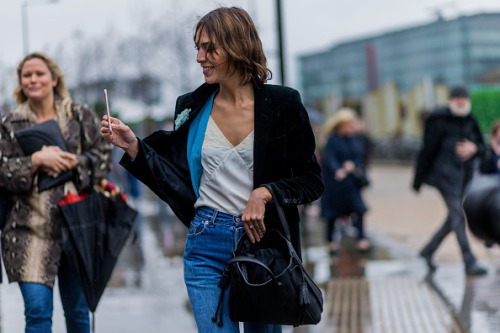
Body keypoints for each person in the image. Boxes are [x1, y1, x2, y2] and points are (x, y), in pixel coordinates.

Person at [101, 6, 323, 333]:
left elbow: (311, 181)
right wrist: (133, 145)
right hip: (206, 242)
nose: (200, 57)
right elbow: (170, 177)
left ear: (237, 47)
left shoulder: (283, 104)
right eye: (198, 48)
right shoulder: (191, 106)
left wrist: (265, 193)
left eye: (210, 48)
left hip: (263, 247)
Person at [0, 52, 113, 332]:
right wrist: (36, 161)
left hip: (77, 228)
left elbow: (103, 158)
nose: (33, 79)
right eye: (27, 75)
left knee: (77, 313)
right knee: (37, 312)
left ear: (54, 78)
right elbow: (2, 171)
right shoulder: (9, 123)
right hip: (28, 231)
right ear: (21, 82)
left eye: (39, 73)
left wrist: (74, 161)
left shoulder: (79, 114)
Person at [412, 85, 487, 276]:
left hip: (464, 177)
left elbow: (482, 147)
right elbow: (427, 150)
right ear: (451, 100)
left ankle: (428, 251)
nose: (461, 101)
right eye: (457, 98)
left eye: (464, 98)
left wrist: (474, 149)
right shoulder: (438, 120)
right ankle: (469, 261)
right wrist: (418, 180)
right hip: (444, 177)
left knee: (453, 219)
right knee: (459, 216)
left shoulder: (471, 120)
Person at [320, 108, 370, 254]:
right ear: (341, 125)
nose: (351, 127)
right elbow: (330, 159)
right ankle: (331, 242)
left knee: (359, 209)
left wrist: (352, 165)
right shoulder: (332, 140)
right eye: (348, 124)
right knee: (332, 214)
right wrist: (338, 170)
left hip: (351, 183)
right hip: (335, 184)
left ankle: (361, 239)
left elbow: (360, 155)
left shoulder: (354, 139)